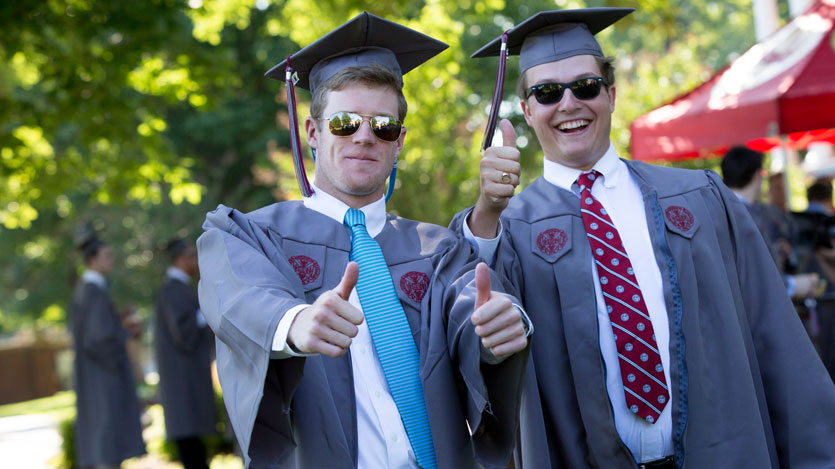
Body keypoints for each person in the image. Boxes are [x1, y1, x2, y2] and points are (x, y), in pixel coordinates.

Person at [450, 7, 835, 468]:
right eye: (548, 93)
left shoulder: (700, 198)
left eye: (585, 86)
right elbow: (478, 324)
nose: (569, 103)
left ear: (611, 95)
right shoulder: (509, 228)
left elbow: (778, 340)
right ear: (528, 110)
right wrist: (488, 211)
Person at [196, 12, 530, 468]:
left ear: (399, 143)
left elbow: (469, 303)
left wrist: (497, 327)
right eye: (344, 123)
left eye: (383, 126)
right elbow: (237, 297)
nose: (365, 137)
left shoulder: (436, 250)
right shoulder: (252, 237)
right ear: (313, 133)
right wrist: (295, 322)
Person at [69, 230, 145, 468]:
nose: (112, 260)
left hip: (95, 377)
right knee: (107, 449)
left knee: (104, 447)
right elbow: (99, 339)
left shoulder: (86, 292)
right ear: (93, 260)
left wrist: (117, 320)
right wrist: (127, 333)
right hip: (104, 379)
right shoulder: (94, 293)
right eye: (107, 256)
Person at [721, 145, 820, 300]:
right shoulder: (742, 216)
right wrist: (793, 285)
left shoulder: (722, 211)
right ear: (757, 176)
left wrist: (776, 252)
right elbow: (751, 277)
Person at [154, 238, 217, 469]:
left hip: (184, 379)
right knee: (191, 450)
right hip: (183, 380)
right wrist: (208, 313)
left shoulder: (177, 288)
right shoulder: (173, 289)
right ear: (181, 260)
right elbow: (183, 331)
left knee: (194, 448)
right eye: (192, 256)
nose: (196, 262)